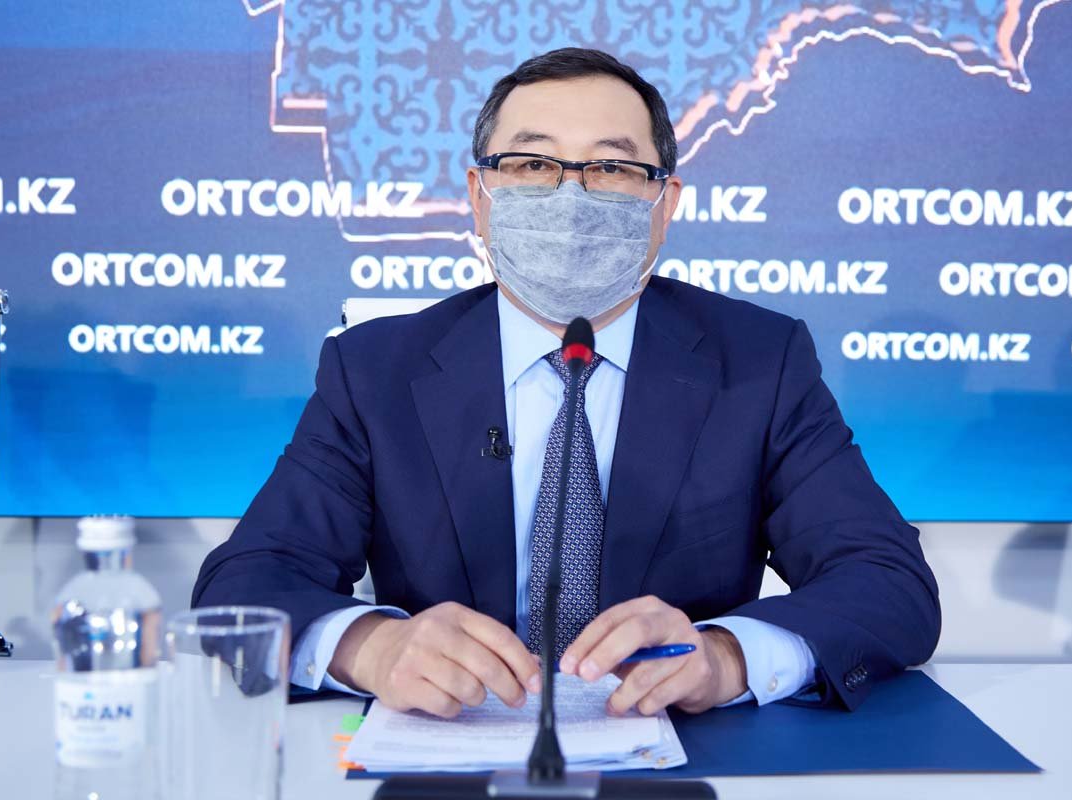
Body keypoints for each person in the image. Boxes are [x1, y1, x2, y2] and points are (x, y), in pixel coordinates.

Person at [193, 47, 940, 719]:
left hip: (684, 760)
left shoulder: (758, 362)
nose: (571, 195)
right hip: (443, 753)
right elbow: (245, 582)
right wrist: (372, 648)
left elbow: (888, 580)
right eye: (531, 164)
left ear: (665, 204)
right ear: (480, 195)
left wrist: (724, 659)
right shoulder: (375, 369)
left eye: (612, 167)